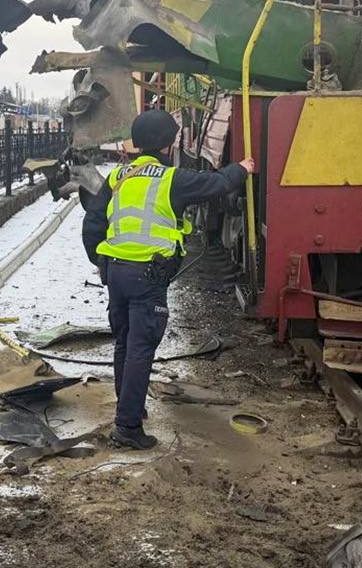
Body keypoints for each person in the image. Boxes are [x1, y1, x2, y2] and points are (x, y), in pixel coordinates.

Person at [80, 109, 254, 450]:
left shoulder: (119, 176)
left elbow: (92, 224)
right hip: (147, 275)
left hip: (116, 270)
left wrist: (101, 262)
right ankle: (127, 427)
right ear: (168, 143)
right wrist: (243, 168)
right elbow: (218, 183)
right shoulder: (172, 178)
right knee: (140, 349)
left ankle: (128, 407)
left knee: (125, 342)